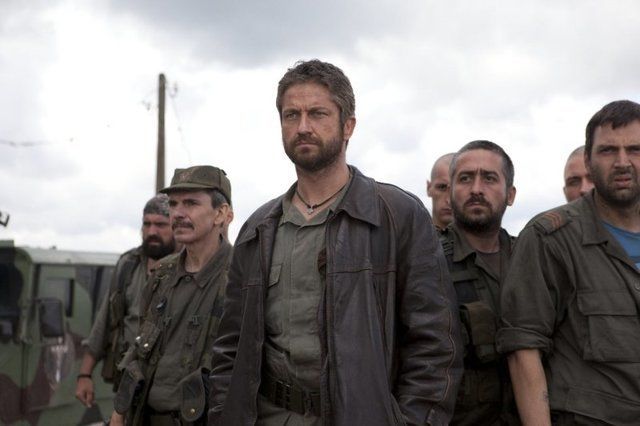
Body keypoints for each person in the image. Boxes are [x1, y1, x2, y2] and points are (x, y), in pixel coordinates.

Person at [209, 59, 462, 426]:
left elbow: (436, 345)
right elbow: (230, 349)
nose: (303, 127)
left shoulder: (397, 216)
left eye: (318, 114)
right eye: (291, 115)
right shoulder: (258, 229)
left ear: (348, 126)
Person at [497, 100, 640, 425]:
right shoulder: (550, 238)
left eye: (635, 149)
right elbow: (523, 350)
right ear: (589, 160)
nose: (622, 162)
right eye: (608, 150)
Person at [109, 165, 233, 425]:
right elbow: (140, 349)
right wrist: (118, 414)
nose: (178, 213)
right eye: (174, 204)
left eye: (191, 203)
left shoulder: (240, 277)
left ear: (221, 214)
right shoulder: (162, 274)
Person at [440, 140, 519, 425]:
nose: (476, 189)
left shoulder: (532, 258)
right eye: (465, 178)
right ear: (450, 192)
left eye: (489, 178)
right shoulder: (426, 261)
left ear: (510, 194)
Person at [75, 194, 176, 407]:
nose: (152, 231)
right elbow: (105, 321)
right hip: (128, 383)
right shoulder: (128, 265)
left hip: (168, 388)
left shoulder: (188, 267)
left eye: (160, 225)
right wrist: (84, 375)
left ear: (175, 226)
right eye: (147, 224)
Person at [427, 153, 455, 232]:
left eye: (455, 190)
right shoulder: (407, 236)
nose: (449, 201)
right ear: (429, 188)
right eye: (442, 187)